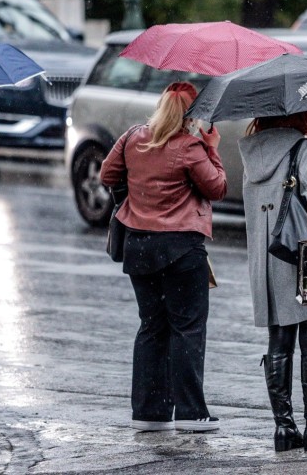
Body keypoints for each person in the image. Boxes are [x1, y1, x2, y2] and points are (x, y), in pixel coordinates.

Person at [99, 81, 227, 433]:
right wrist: (212, 148)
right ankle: (190, 413)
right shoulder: (190, 146)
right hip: (181, 248)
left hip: (138, 245)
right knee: (187, 328)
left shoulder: (132, 136)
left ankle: (149, 410)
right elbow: (216, 187)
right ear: (191, 115)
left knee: (152, 326)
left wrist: (138, 191)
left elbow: (107, 174)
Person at [238, 111, 307, 452]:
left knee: (278, 343)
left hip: (267, 260)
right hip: (304, 256)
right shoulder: (304, 152)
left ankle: (284, 428)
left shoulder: (250, 155)